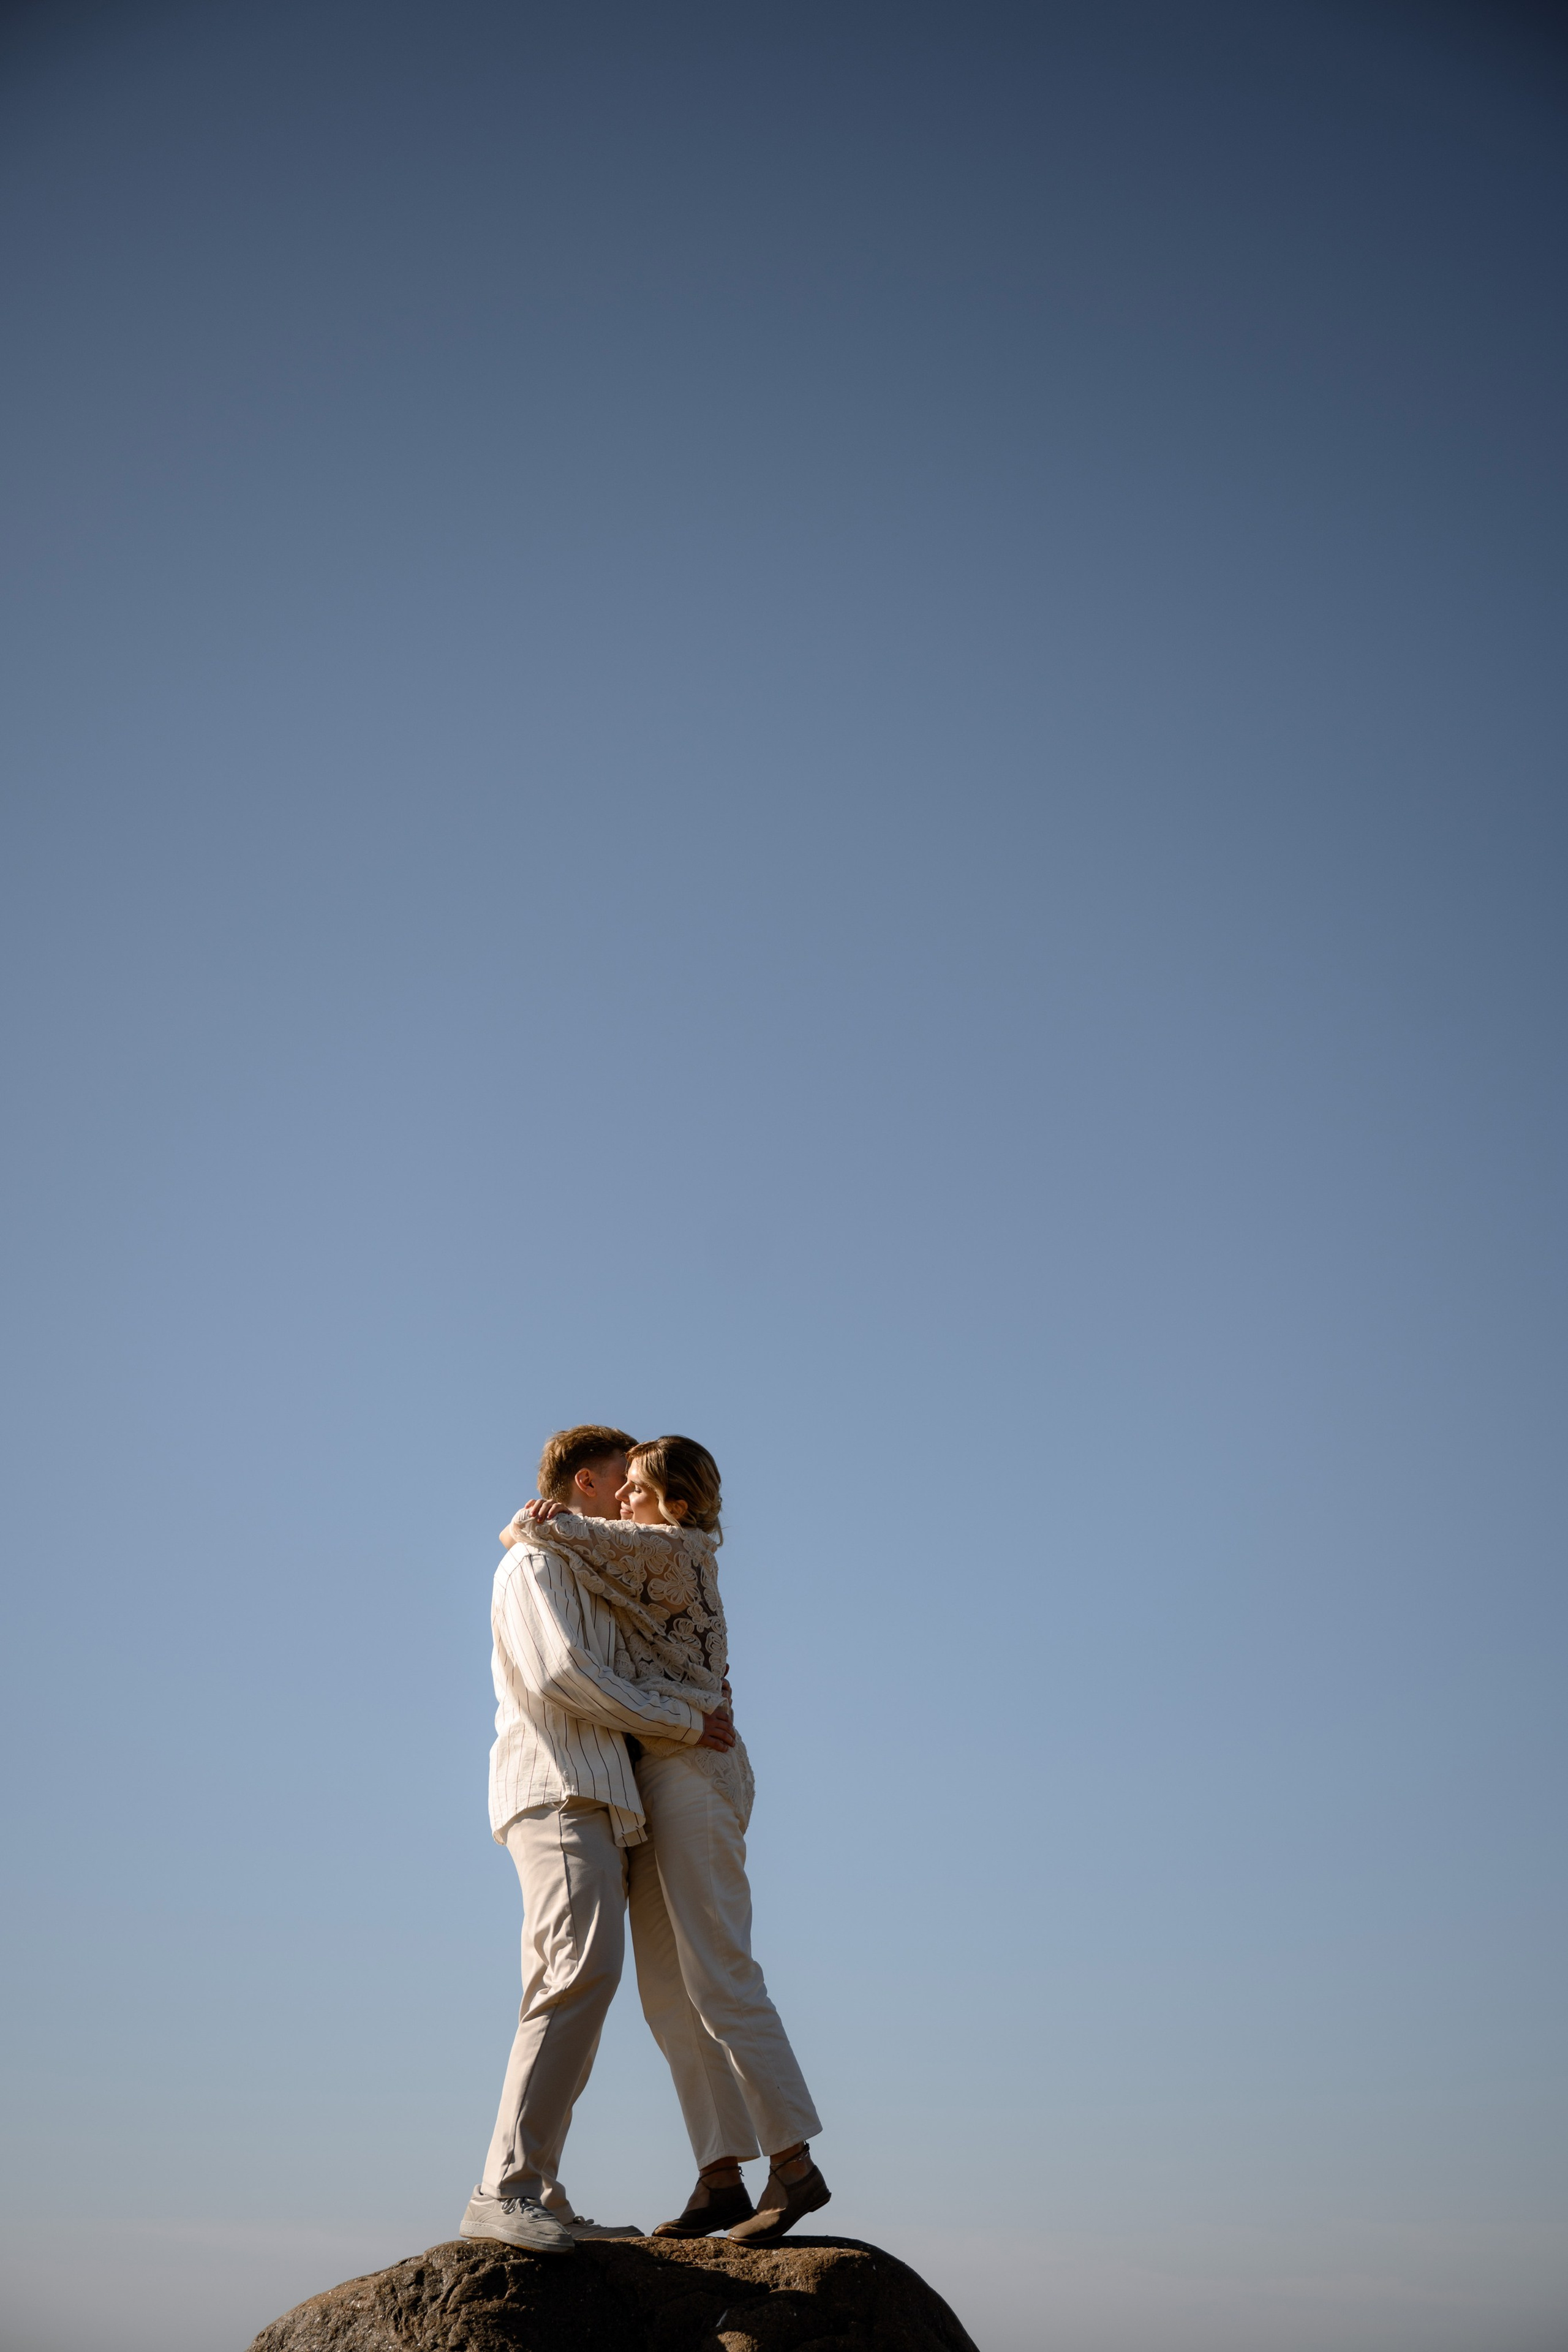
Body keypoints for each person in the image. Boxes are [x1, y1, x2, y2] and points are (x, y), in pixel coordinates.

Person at [506, 1433, 829, 2245]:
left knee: (720, 1972)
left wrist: (529, 1523)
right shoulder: (634, 1560)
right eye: (618, 1490)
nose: (623, 1503)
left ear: (675, 1505)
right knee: (667, 1994)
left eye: (637, 1491)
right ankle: (721, 2174)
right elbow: (589, 1571)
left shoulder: (677, 1549)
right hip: (656, 1779)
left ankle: (794, 2166)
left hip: (695, 1769)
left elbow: (570, 1538)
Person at [460, 1425, 738, 2256]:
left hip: (601, 1800)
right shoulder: (533, 1565)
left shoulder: (586, 1567)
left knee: (581, 1979)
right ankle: (503, 2189)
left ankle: (538, 2188)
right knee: (574, 1973)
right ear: (583, 1482)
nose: (627, 1497)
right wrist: (686, 1721)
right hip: (554, 1788)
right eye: (619, 1480)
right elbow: (563, 1678)